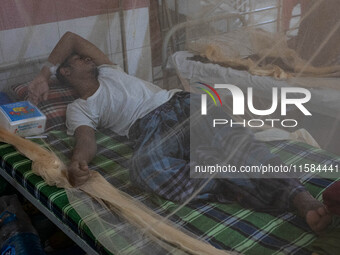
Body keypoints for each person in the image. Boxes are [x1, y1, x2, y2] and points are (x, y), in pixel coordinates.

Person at [28, 32, 331, 233]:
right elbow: (86, 140)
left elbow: (71, 38)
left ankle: (299, 197)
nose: (87, 57)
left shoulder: (109, 70)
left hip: (180, 106)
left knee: (237, 143)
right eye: (78, 60)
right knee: (143, 168)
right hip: (149, 131)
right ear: (65, 73)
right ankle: (229, 179)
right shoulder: (79, 108)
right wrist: (78, 162)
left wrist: (45, 71)